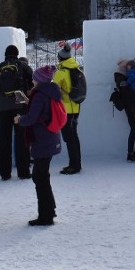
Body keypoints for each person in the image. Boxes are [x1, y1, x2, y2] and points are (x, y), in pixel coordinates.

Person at [17, 64, 62, 226]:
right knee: (43, 176)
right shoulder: (49, 92)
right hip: (50, 138)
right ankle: (50, 209)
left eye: (34, 77)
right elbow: (43, 111)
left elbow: (31, 118)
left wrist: (19, 120)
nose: (32, 80)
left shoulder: (39, 95)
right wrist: (30, 101)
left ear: (39, 80)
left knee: (40, 177)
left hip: (42, 140)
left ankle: (46, 216)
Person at [0, 45, 34, 181]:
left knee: (4, 140)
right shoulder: (23, 66)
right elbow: (33, 83)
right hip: (20, 106)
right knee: (22, 139)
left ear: (5, 54)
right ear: (16, 54)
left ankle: (5, 173)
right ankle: (23, 171)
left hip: (3, 109)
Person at [53, 43, 82, 174]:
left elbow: (53, 90)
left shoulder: (61, 72)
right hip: (76, 107)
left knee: (70, 139)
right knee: (73, 137)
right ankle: (75, 164)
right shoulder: (76, 69)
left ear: (60, 58)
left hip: (66, 110)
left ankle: (74, 166)